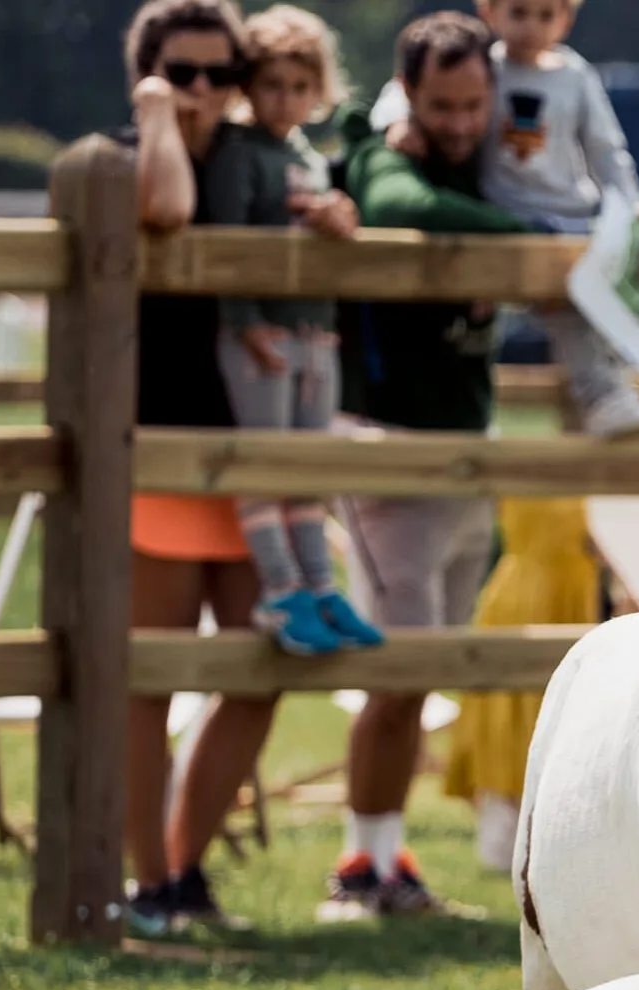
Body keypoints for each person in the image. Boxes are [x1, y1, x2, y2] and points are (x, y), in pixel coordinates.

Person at [113, 0, 353, 936]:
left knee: (260, 664)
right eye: (182, 73)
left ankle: (183, 870)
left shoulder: (267, 161)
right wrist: (153, 115)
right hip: (165, 446)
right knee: (156, 674)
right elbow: (165, 209)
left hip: (261, 447)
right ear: (147, 75)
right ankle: (147, 882)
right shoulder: (124, 150)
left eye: (221, 73)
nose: (204, 90)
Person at [325, 11, 564, 919]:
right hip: (390, 440)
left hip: (464, 443)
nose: (462, 120)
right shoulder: (396, 157)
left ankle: (388, 861)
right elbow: (397, 209)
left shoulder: (488, 155)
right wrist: (519, 233)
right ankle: (360, 866)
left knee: (426, 660)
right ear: (410, 95)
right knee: (401, 660)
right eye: (443, 104)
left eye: (475, 102)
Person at [220, 4, 379, 658]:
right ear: (249, 86)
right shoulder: (239, 153)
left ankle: (319, 583)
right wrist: (245, 321)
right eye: (271, 85)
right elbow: (223, 246)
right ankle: (280, 587)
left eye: (298, 86)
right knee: (265, 460)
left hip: (315, 330)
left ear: (319, 91)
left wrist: (341, 215)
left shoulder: (311, 157)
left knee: (309, 463)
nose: (284, 100)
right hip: (262, 333)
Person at [472, 0, 639, 437]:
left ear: (566, 20)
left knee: (589, 303)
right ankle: (476, 418)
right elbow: (412, 93)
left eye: (546, 15)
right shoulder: (479, 67)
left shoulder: (575, 75)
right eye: (519, 12)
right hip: (503, 216)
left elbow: (607, 151)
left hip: (570, 214)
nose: (532, 26)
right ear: (489, 12)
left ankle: (605, 398)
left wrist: (635, 208)